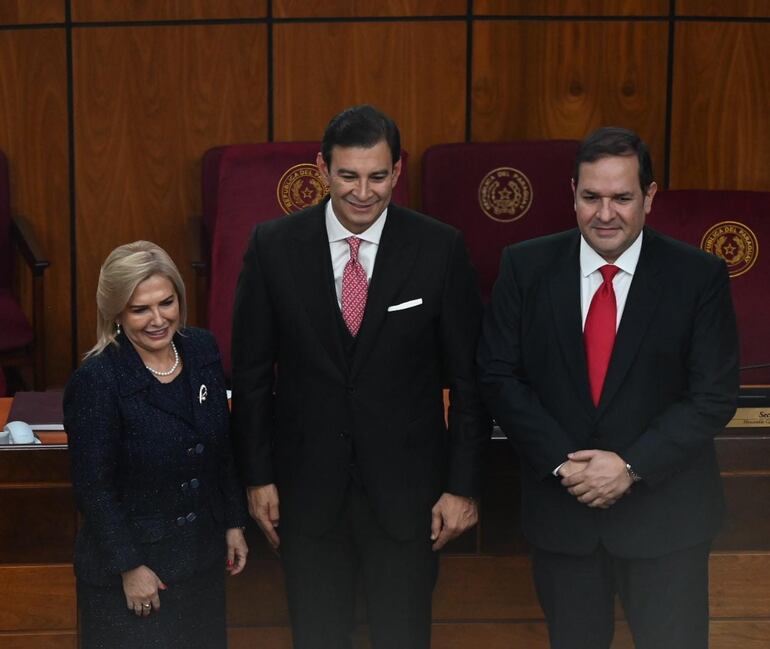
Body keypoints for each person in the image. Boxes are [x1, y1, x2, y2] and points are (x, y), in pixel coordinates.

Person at [230, 105, 489, 649]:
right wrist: (257, 478)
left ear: (398, 171)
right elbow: (251, 376)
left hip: (408, 500)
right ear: (321, 169)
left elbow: (469, 380)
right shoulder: (273, 247)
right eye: (348, 175)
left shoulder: (439, 248)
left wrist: (461, 486)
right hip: (305, 495)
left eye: (377, 176)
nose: (362, 192)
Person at [477, 127, 739, 649]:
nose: (605, 213)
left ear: (649, 196)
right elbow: (499, 376)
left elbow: (712, 395)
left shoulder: (698, 276)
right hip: (563, 518)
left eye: (622, 198)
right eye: (591, 196)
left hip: (668, 523)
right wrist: (563, 463)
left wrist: (629, 466)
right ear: (571, 192)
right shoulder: (524, 267)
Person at [63, 240, 249, 649]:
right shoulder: (97, 380)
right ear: (115, 314)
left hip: (200, 564)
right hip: (134, 578)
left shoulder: (201, 350)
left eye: (166, 303)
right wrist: (130, 566)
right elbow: (94, 489)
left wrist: (235, 521)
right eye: (140, 309)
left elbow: (222, 447)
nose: (158, 319)